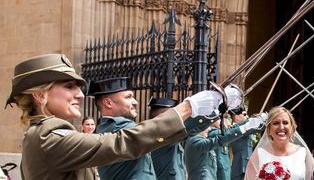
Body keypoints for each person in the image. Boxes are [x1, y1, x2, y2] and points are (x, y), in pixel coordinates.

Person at [6, 53, 226, 180]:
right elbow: (122, 142)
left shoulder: (43, 134)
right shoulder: (48, 136)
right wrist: (188, 107)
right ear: (40, 95)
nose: (80, 94)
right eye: (69, 86)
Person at [186, 112, 264, 180]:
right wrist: (245, 127)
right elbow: (220, 139)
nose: (208, 129)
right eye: (206, 126)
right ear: (199, 126)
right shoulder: (195, 141)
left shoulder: (197, 140)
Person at [247, 106, 314, 180]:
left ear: (292, 128)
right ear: (269, 129)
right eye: (276, 123)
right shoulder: (259, 154)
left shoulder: (303, 153)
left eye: (285, 123)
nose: (281, 127)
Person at [148, 97, 186, 180]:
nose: (178, 117)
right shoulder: (159, 134)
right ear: (161, 116)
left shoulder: (170, 134)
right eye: (173, 114)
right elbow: (190, 128)